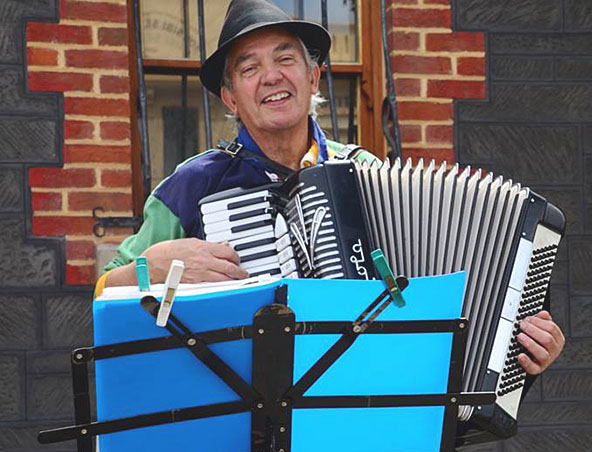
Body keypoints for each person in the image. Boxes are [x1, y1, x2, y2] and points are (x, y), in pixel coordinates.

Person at [96, 0, 563, 376]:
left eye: (285, 59)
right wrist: (148, 268)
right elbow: (103, 293)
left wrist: (516, 343)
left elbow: (429, 299)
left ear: (313, 76)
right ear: (231, 99)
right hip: (243, 413)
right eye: (249, 68)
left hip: (358, 405)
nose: (272, 76)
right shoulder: (192, 185)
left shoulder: (366, 172)